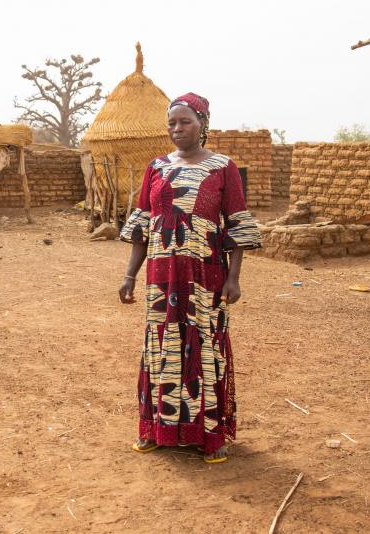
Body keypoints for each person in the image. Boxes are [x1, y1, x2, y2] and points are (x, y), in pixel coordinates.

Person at [117, 92, 261, 464]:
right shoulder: (157, 167)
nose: (177, 129)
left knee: (204, 348)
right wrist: (130, 275)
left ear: (202, 124)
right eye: (171, 123)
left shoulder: (222, 168)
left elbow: (236, 226)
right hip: (162, 277)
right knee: (161, 346)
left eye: (185, 122)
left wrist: (234, 278)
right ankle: (156, 429)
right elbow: (143, 228)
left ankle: (209, 435)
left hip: (205, 276)